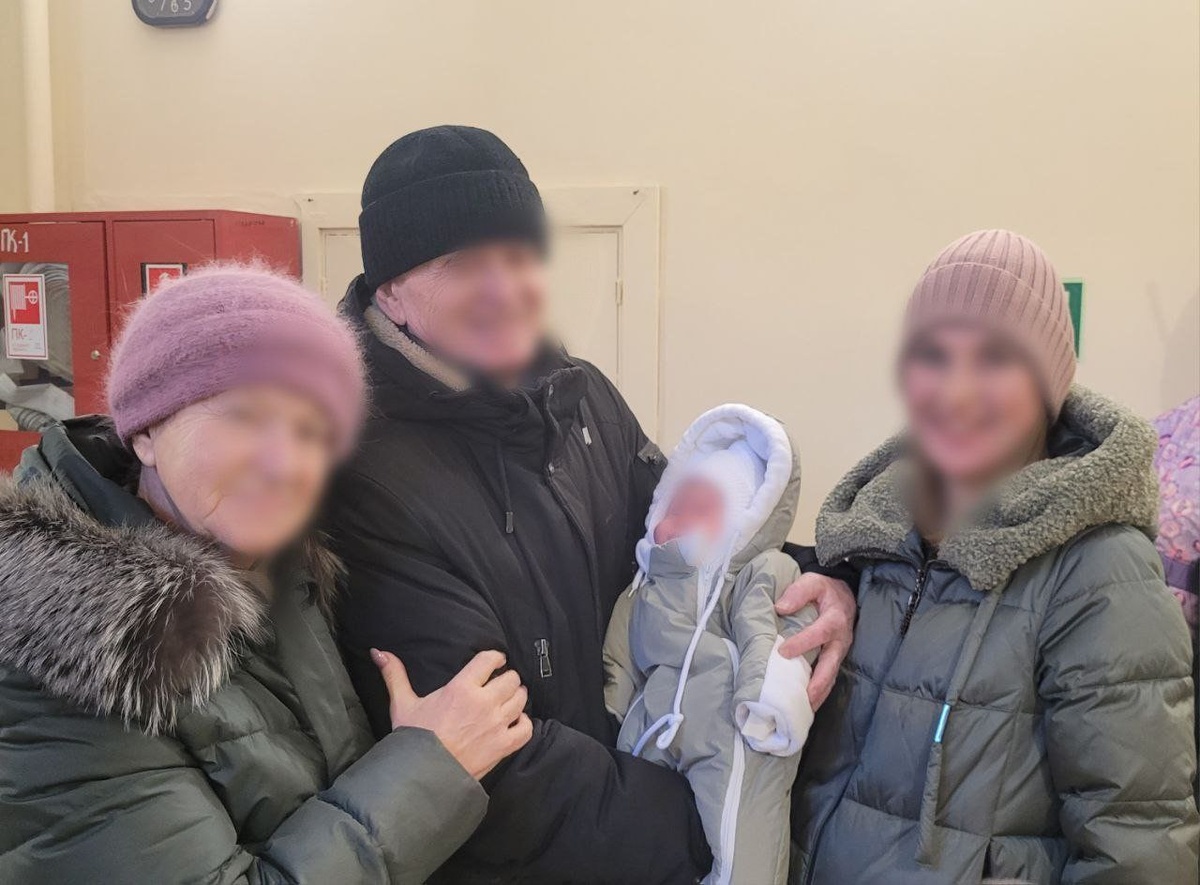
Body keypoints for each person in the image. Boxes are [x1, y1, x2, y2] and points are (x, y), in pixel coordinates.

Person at [328, 125, 857, 883]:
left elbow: (691, 546)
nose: (506, 288)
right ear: (390, 292)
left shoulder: (578, 398)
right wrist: (703, 824)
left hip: (636, 823)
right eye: (464, 265)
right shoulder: (364, 474)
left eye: (519, 256)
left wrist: (819, 583)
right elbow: (490, 759)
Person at [0, 266, 531, 884]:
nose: (285, 463)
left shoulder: (278, 568)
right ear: (144, 431)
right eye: (244, 417)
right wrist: (428, 769)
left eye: (311, 431)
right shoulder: (61, 652)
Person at [790, 230, 1200, 884]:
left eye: (995, 358)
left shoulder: (1100, 569)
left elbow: (1138, 851)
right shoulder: (875, 539)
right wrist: (830, 577)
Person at [605, 404, 819, 885]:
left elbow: (773, 629)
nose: (681, 520)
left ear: (742, 524)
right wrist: (613, 710)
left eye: (702, 510)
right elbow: (619, 657)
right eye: (675, 508)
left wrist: (768, 697)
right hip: (653, 721)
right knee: (629, 836)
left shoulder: (759, 571)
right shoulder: (642, 589)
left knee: (742, 836)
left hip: (733, 723)